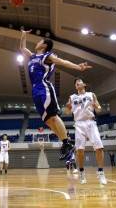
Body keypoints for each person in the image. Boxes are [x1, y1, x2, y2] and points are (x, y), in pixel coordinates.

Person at [20, 30, 91, 160]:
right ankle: (66, 142)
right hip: (35, 90)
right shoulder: (33, 57)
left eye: (39, 41)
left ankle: (66, 143)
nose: (37, 42)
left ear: (44, 45)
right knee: (47, 121)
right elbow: (23, 48)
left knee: (52, 116)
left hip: (44, 87)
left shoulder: (47, 56)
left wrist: (78, 67)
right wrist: (23, 35)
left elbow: (62, 62)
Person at [65, 77, 107, 185]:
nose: (77, 83)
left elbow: (99, 109)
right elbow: (67, 112)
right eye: (76, 83)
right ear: (75, 87)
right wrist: (67, 107)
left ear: (84, 84)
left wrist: (96, 107)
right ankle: (82, 172)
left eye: (79, 81)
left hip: (91, 122)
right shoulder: (72, 97)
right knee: (80, 150)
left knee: (99, 148)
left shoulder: (91, 95)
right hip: (79, 124)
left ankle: (101, 172)